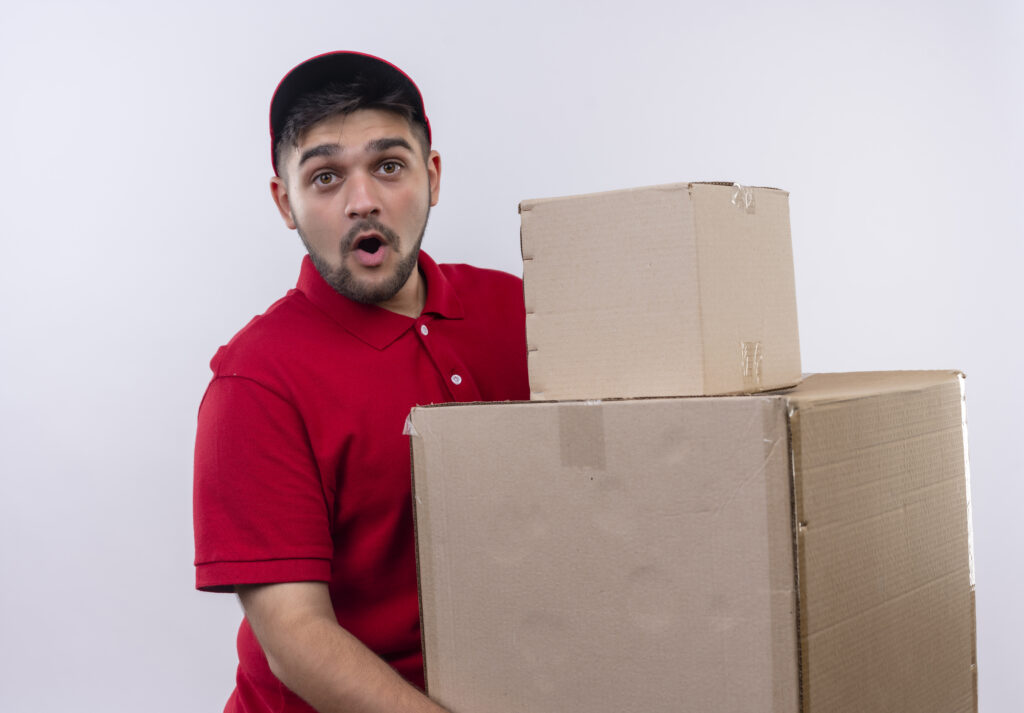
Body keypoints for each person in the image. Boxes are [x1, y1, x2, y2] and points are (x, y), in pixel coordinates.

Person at [193, 51, 530, 713]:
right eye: (324, 177)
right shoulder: (254, 381)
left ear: (432, 176)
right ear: (284, 200)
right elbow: (296, 632)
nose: (363, 201)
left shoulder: (519, 312)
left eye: (389, 166)